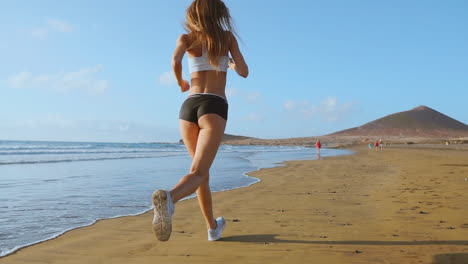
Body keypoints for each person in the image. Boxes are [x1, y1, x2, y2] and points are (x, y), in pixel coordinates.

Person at [152, 0, 248, 242]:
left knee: (199, 172)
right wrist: (232, 63)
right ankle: (170, 198)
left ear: (192, 14)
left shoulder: (186, 39)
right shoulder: (226, 38)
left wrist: (180, 82)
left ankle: (212, 227)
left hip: (188, 106)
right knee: (198, 171)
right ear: (219, 14)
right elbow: (245, 71)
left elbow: (174, 62)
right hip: (213, 105)